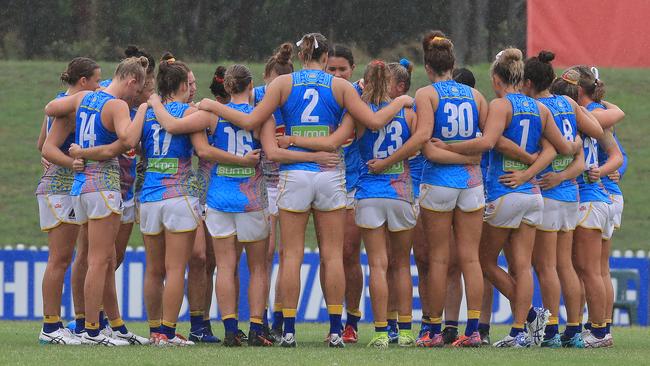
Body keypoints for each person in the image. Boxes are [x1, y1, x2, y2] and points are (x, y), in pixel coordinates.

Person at [197, 32, 413, 347]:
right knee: (332, 255)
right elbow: (374, 121)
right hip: (329, 174)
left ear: (301, 57)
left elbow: (252, 119)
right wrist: (404, 101)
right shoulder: (339, 86)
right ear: (326, 58)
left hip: (294, 175)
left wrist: (212, 107)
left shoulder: (282, 85)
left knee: (291, 255)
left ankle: (288, 332)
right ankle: (337, 330)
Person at [475, 47, 579, 348]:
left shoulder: (501, 105)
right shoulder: (540, 108)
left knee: (483, 260)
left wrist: (448, 146)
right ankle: (519, 331)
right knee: (522, 265)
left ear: (497, 78)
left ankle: (532, 315)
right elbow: (558, 148)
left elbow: (490, 142)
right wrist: (531, 171)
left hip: (505, 191)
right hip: (534, 195)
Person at [44, 56, 149, 346]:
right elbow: (128, 140)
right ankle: (92, 330)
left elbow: (52, 108)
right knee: (100, 260)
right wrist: (142, 110)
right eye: (136, 91)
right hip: (103, 183)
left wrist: (83, 151)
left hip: (81, 186)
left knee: (97, 258)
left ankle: (103, 326)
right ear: (131, 81)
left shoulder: (86, 97)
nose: (135, 97)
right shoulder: (117, 105)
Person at [520, 52, 604, 348]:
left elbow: (549, 150)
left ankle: (552, 331)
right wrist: (568, 167)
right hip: (571, 194)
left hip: (548, 191)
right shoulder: (568, 103)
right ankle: (574, 330)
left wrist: (554, 175)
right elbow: (584, 147)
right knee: (565, 266)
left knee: (545, 267)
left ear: (528, 83)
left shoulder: (535, 108)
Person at [551, 67, 624, 348]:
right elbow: (616, 154)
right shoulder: (592, 117)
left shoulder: (575, 117)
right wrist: (605, 171)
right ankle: (601, 328)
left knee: (588, 269)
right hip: (602, 198)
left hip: (591, 199)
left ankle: (597, 331)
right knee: (597, 270)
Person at [37, 57, 101, 345]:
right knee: (59, 259)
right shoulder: (71, 109)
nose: (99, 86)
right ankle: (50, 327)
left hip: (62, 187)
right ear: (84, 82)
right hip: (59, 187)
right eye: (97, 80)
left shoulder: (58, 102)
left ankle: (58, 324)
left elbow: (41, 145)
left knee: (63, 258)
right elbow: (49, 149)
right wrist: (70, 162)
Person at [253, 43, 295, 341]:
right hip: (265, 182)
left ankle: (277, 319)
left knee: (281, 253)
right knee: (269, 254)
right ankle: (266, 319)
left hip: (287, 178)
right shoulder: (256, 96)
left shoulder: (290, 97)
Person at [324, 44, 364, 343]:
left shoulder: (358, 96)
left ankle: (352, 321)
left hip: (353, 182)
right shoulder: (317, 94)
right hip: (321, 178)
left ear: (352, 70)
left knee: (348, 253)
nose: (337, 74)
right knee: (329, 257)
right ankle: (333, 321)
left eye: (342, 70)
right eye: (332, 69)